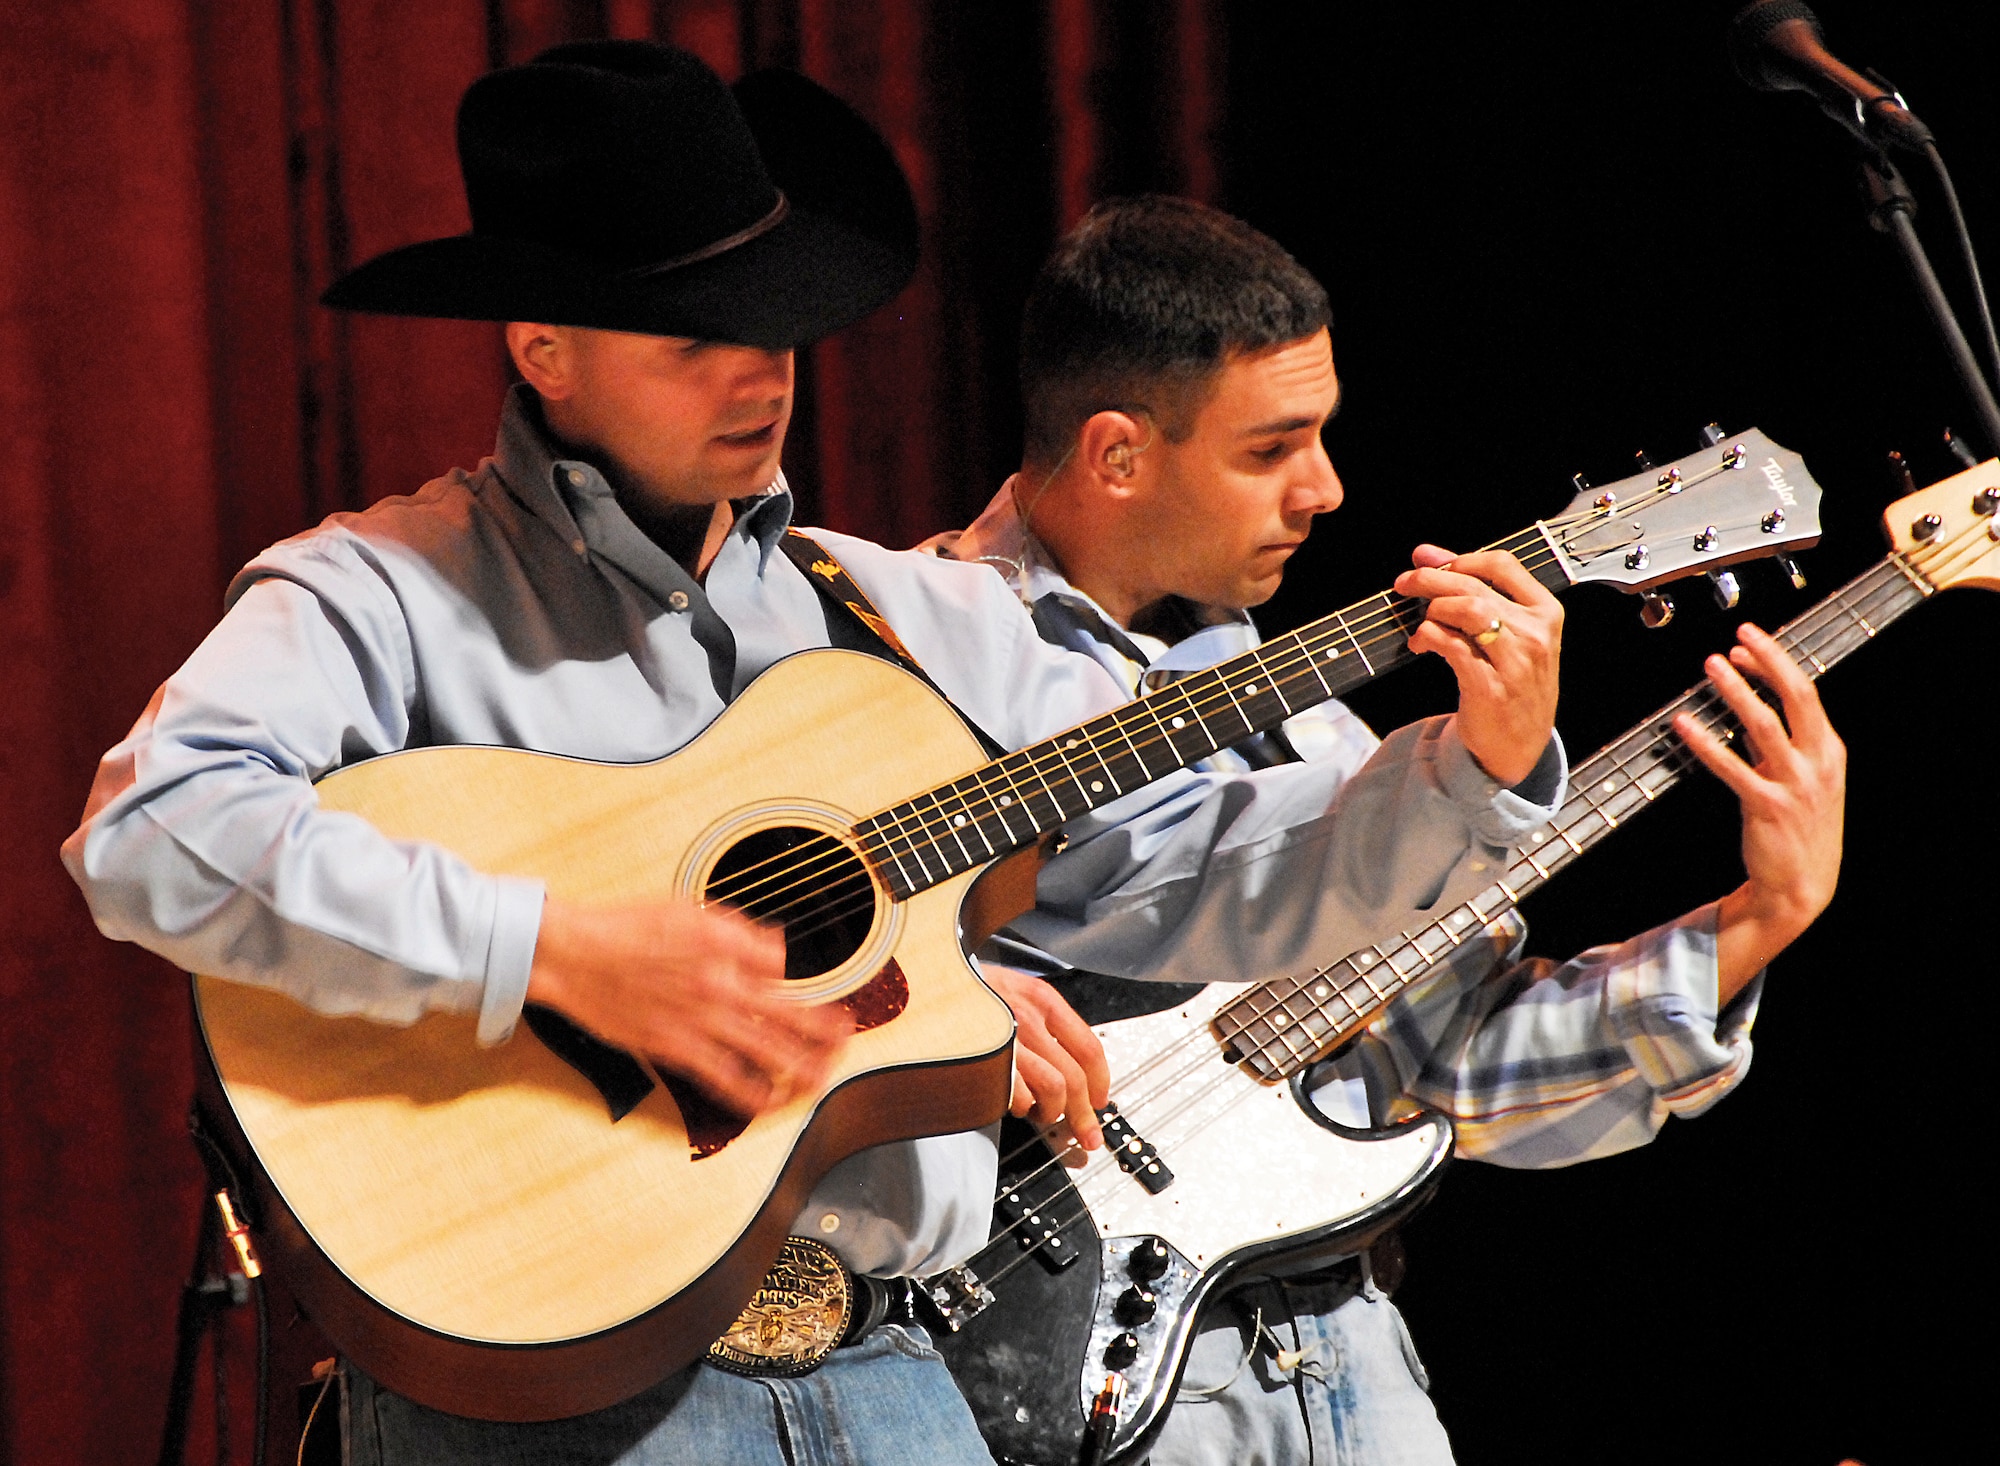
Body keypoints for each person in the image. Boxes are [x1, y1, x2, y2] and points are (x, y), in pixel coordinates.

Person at [59, 46, 1573, 1466]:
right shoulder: (380, 588)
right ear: (545, 349)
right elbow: (155, 827)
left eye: (778, 322)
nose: (762, 374)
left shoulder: (901, 614)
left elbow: (1182, 869)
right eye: (697, 335)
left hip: (894, 1370)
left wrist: (1464, 769)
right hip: (553, 1394)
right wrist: (553, 948)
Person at [926, 195, 1845, 1465]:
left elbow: (1458, 1071)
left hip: (1346, 1374)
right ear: (1117, 454)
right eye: (1272, 447)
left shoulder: (1317, 734)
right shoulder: (904, 663)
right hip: (1064, 1369)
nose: (1326, 488)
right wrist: (967, 1002)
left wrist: (1752, 924)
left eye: (1324, 433)